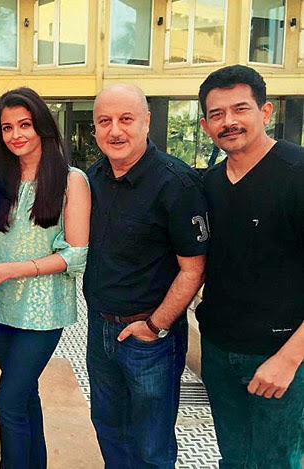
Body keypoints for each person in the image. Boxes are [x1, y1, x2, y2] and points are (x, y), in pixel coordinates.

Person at [84, 83, 208, 468]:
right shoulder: (92, 178)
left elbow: (194, 268)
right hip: (100, 329)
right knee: (109, 429)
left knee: (151, 445)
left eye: (126, 119)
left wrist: (155, 326)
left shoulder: (177, 183)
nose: (115, 130)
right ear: (94, 128)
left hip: (150, 337)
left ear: (147, 121)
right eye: (105, 121)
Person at [196, 64, 304, 468]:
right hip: (220, 350)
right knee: (234, 458)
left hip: (282, 355)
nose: (229, 122)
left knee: (276, 461)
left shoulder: (297, 174)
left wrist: (289, 360)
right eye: (217, 114)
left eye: (240, 109)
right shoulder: (210, 183)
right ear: (206, 125)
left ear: (265, 111)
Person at [0, 87, 90, 468]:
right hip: (1, 310)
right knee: (25, 398)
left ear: (42, 126)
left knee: (8, 402)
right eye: (7, 127)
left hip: (43, 312)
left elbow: (76, 255)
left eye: (24, 124)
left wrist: (15, 269)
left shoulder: (71, 181)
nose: (16, 135)